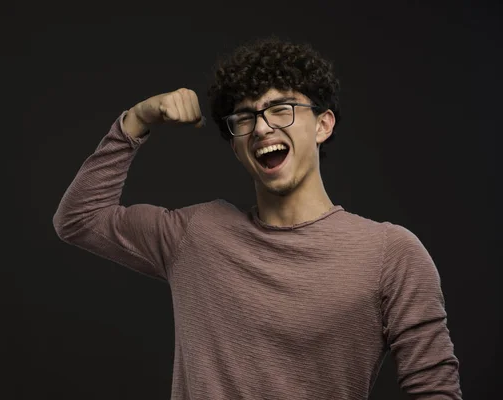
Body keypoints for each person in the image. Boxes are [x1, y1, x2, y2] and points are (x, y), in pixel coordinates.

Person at [53, 37, 462, 399]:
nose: (262, 128)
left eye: (280, 109)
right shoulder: (196, 235)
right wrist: (137, 120)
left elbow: (434, 390)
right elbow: (79, 218)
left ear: (323, 124)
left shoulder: (390, 254)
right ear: (235, 146)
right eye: (245, 118)